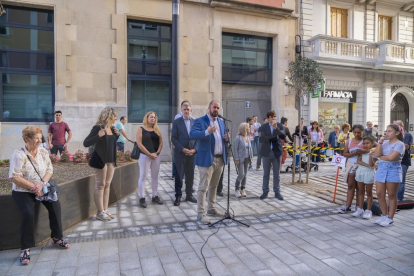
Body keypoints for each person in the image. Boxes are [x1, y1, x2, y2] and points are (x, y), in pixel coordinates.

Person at [10, 127, 69, 265]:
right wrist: (33, 187)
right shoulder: (18, 154)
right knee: (28, 213)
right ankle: (25, 248)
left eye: (40, 137)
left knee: (55, 206)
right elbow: (15, 177)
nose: (39, 140)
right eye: (36, 137)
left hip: (42, 187)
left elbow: (49, 170)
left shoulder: (43, 151)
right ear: (26, 139)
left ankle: (57, 237)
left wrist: (42, 184)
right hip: (23, 191)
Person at [189, 100, 230, 225]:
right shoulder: (200, 121)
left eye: (218, 108)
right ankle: (200, 214)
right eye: (214, 107)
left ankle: (211, 209)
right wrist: (207, 132)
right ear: (209, 108)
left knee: (214, 186)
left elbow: (222, 140)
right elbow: (192, 134)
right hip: (206, 159)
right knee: (203, 188)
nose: (216, 110)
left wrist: (226, 138)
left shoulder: (221, 122)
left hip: (219, 158)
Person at [84, 107, 120, 221]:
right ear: (108, 116)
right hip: (100, 159)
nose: (116, 118)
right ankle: (100, 212)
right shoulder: (98, 128)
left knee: (107, 185)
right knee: (100, 185)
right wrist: (98, 136)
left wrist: (117, 136)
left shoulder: (113, 129)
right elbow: (86, 142)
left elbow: (111, 143)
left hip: (111, 160)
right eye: (114, 116)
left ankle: (105, 209)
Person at [374, 124, 405, 227]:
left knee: (391, 195)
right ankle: (384, 215)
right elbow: (377, 154)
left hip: (393, 169)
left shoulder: (400, 144)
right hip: (382, 168)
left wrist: (381, 157)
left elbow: (392, 157)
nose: (387, 133)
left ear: (397, 133)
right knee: (379, 193)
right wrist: (380, 142)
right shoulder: (385, 143)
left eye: (390, 131)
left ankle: (390, 218)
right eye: (386, 131)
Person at [337, 125, 368, 213]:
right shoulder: (349, 141)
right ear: (352, 132)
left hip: (361, 165)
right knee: (350, 185)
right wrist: (353, 154)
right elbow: (345, 153)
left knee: (360, 187)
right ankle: (348, 205)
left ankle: (359, 206)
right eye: (355, 132)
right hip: (351, 164)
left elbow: (374, 148)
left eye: (359, 132)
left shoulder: (365, 141)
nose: (357, 134)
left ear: (363, 132)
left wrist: (362, 152)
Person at [171, 102, 197, 206]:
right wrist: (182, 149)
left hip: (192, 154)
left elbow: (198, 138)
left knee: (190, 175)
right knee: (179, 175)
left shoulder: (195, 122)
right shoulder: (177, 122)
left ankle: (189, 195)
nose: (186, 111)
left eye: (188, 109)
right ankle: (178, 196)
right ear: (181, 111)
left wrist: (195, 150)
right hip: (181, 153)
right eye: (184, 109)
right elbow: (173, 138)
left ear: (191, 110)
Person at [136, 111, 163, 208]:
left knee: (155, 177)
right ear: (147, 118)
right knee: (143, 177)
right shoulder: (141, 129)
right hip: (144, 156)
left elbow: (160, 143)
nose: (153, 119)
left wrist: (157, 153)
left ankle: (155, 196)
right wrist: (149, 154)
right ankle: (142, 198)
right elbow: (139, 143)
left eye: (154, 117)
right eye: (151, 117)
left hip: (156, 156)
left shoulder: (157, 129)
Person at [259, 110, 286, 200]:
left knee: (276, 174)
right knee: (266, 173)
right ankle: (265, 191)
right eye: (271, 117)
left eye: (274, 117)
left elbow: (283, 137)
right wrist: (274, 138)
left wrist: (276, 129)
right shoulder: (263, 127)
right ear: (268, 118)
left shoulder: (280, 125)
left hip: (276, 152)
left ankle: (277, 192)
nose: (273, 118)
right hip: (266, 152)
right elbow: (263, 139)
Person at [353, 136, 377, 219]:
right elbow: (358, 161)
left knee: (369, 192)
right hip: (360, 171)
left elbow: (371, 163)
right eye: (364, 143)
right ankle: (360, 208)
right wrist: (368, 165)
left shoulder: (374, 152)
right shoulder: (361, 151)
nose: (365, 145)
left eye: (368, 143)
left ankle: (368, 210)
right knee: (360, 191)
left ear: (372, 143)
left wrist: (370, 152)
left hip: (369, 173)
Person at [233, 122, 253, 198]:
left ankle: (242, 189)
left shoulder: (248, 137)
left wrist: (251, 158)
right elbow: (235, 149)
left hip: (247, 159)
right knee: (241, 174)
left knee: (245, 175)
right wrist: (236, 159)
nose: (249, 129)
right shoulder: (238, 138)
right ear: (244, 128)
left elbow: (250, 149)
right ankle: (236, 190)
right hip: (240, 159)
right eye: (248, 127)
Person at [394, 120, 412, 201]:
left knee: (401, 180)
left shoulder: (407, 135)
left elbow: (406, 146)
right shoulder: (393, 136)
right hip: (394, 160)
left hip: (404, 161)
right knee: (394, 179)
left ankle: (399, 198)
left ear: (402, 127)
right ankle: (394, 197)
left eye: (397, 126)